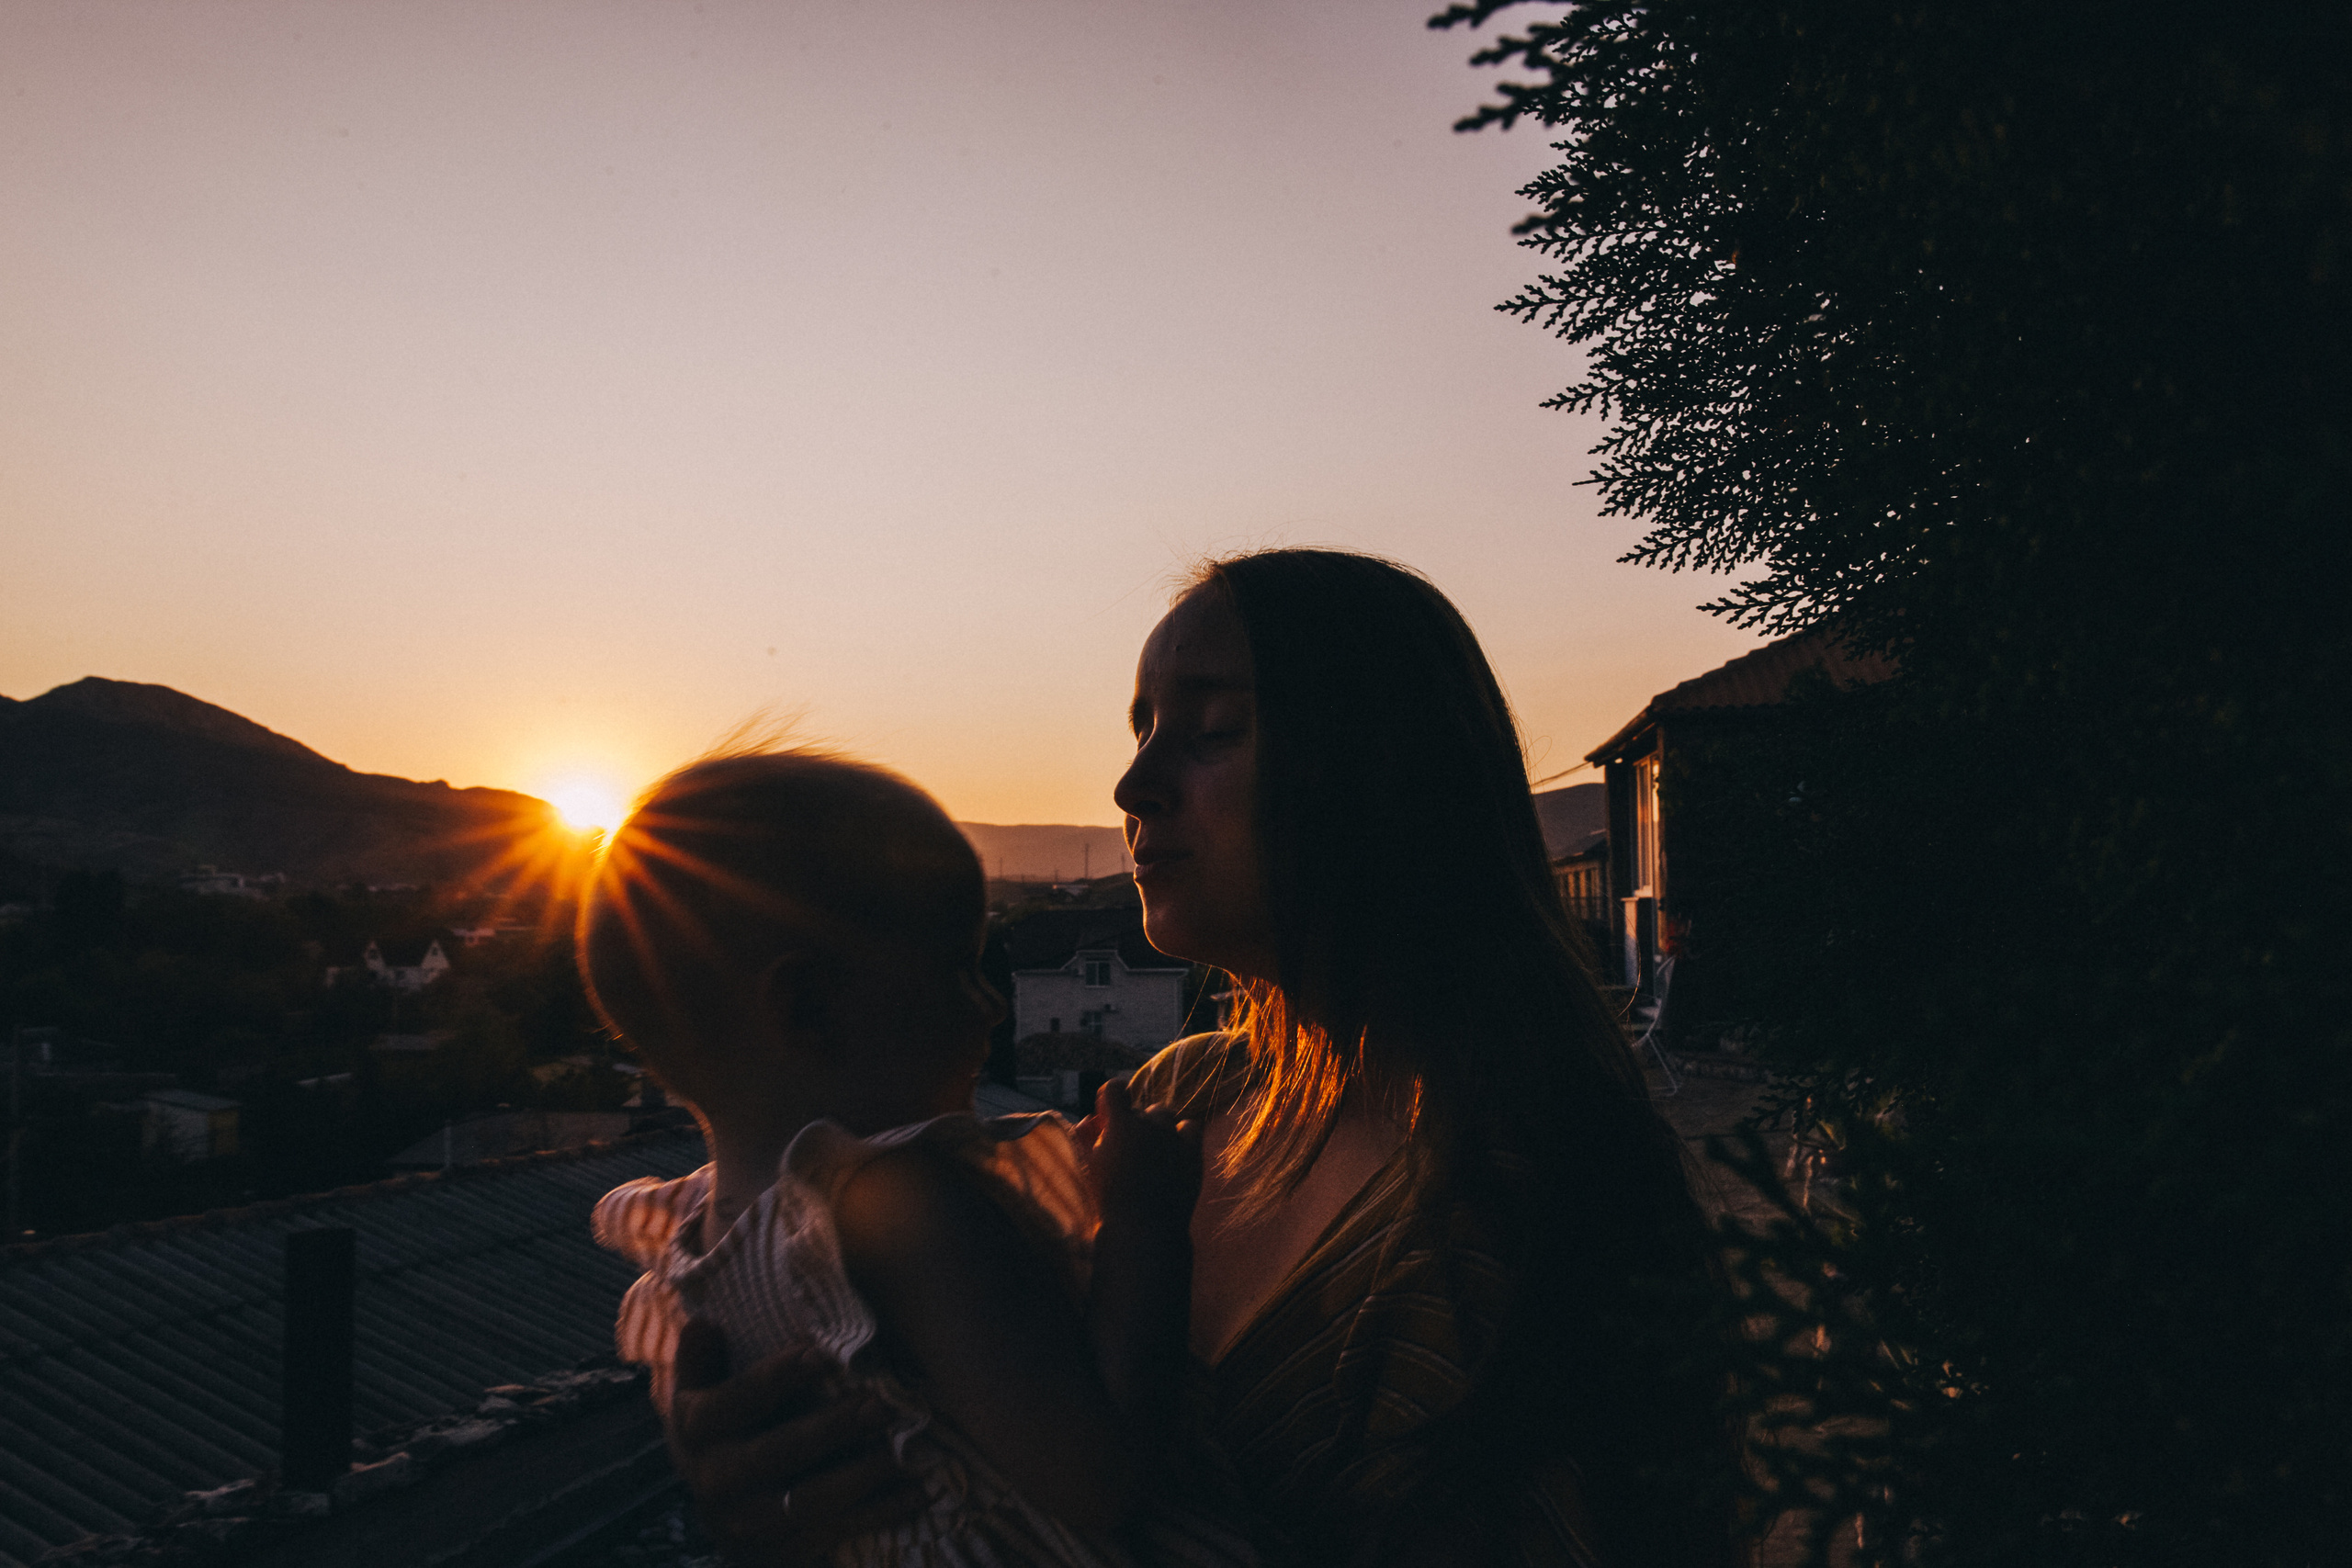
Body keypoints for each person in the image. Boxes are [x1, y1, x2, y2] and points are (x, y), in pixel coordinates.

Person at [666, 550, 1742, 1568]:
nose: (1134, 788)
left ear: (1380, 773)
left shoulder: (1542, 1208)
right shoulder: (1174, 1100)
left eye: (1213, 730)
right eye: (1139, 732)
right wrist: (789, 1485)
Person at [578, 750, 1256, 1567]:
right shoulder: (902, 1203)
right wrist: (1144, 1225)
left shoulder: (693, 1240)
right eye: (957, 970)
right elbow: (1100, 1481)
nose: (994, 1003)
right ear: (805, 1006)